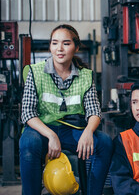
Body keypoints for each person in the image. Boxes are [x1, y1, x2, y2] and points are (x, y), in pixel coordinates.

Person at [20, 24, 113, 195]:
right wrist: (51, 135)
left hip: (72, 129)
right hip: (41, 129)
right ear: (50, 46)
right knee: (28, 143)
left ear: (76, 47)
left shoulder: (86, 75)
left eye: (66, 43)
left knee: (104, 142)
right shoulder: (36, 72)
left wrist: (88, 131)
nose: (59, 49)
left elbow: (94, 110)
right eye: (55, 43)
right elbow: (27, 113)